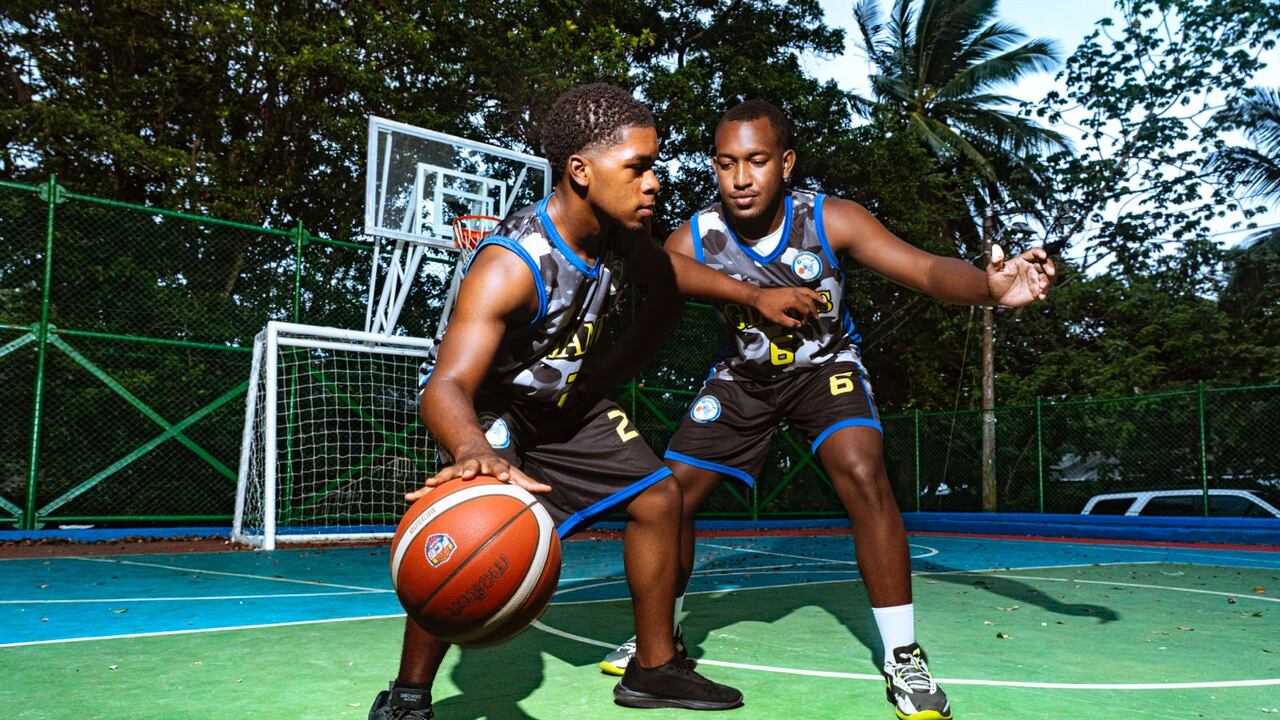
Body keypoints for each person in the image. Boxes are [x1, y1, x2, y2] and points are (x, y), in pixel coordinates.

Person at [369, 85, 826, 718]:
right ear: (580, 172)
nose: (655, 182)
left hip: (565, 405)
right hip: (490, 409)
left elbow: (669, 272)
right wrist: (473, 449)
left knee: (659, 497)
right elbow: (446, 385)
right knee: (469, 530)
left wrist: (752, 297)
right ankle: (410, 696)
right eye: (637, 167)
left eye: (655, 165)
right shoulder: (512, 264)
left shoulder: (617, 235)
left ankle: (655, 669)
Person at [599, 99, 1056, 720]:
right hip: (741, 378)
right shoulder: (695, 236)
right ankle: (661, 639)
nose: (741, 178)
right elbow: (641, 284)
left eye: (756, 161)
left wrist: (988, 288)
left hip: (825, 370)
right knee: (670, 496)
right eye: (727, 163)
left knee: (864, 472)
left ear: (785, 163)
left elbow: (923, 269)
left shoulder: (831, 218)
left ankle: (903, 656)